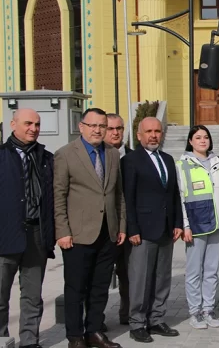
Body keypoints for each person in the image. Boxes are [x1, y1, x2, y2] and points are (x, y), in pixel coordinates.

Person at [0, 109, 55, 348]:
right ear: (13, 125)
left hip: (36, 237)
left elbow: (50, 198)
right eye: (28, 123)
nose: (33, 128)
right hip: (2, 238)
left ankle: (30, 341)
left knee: (32, 296)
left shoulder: (46, 158)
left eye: (37, 124)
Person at [54, 108, 126, 348]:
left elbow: (118, 195)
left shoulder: (113, 154)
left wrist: (121, 225)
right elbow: (59, 195)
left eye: (102, 126)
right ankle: (75, 336)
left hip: (108, 232)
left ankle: (94, 330)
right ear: (81, 126)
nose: (97, 130)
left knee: (100, 286)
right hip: (78, 234)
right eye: (92, 125)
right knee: (76, 287)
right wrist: (62, 230)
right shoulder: (65, 154)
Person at [122, 117, 183, 343]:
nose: (154, 135)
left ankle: (156, 319)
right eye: (148, 131)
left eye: (157, 131)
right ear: (139, 135)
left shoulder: (167, 159)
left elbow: (174, 194)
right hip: (143, 231)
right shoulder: (131, 161)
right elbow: (128, 197)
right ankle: (137, 323)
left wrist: (177, 222)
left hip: (166, 229)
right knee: (140, 279)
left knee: (161, 278)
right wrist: (132, 228)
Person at [175, 125, 219, 329]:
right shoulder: (182, 165)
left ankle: (208, 310)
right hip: (197, 225)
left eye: (205, 137)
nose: (202, 140)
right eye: (198, 137)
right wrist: (185, 225)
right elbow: (181, 197)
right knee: (193, 272)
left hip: (217, 223)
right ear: (190, 141)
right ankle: (194, 312)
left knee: (211, 271)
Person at [102, 113, 132, 329]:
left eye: (119, 128)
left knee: (128, 275)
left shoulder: (134, 157)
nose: (115, 132)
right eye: (111, 128)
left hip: (129, 228)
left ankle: (128, 313)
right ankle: (96, 319)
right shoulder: (96, 156)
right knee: (100, 277)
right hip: (102, 227)